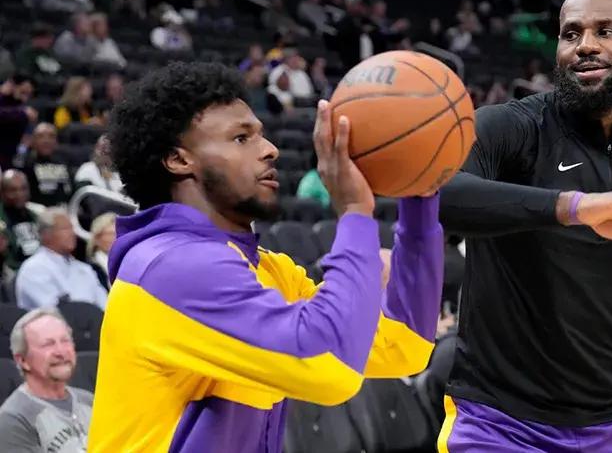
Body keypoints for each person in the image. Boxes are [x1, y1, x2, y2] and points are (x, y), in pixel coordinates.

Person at [87, 61, 448, 451]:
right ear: (178, 160)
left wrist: (419, 196)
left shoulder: (266, 269)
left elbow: (403, 346)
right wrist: (355, 212)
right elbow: (332, 366)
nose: (270, 149)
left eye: (261, 134)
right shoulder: (171, 268)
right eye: (242, 138)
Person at [437, 0, 612, 452]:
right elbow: (438, 195)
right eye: (571, 34)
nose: (585, 45)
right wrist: (574, 207)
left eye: (605, 32)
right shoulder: (509, 128)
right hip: (502, 422)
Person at [0, 308, 94, 453]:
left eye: (65, 341)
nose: (61, 352)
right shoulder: (13, 419)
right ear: (22, 360)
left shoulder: (89, 401)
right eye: (48, 344)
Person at [15, 207, 108, 310]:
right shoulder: (34, 269)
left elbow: (106, 307)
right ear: (46, 234)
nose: (72, 233)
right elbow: (54, 311)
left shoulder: (84, 269)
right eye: (65, 229)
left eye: (72, 228)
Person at [16, 123, 73, 207]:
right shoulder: (25, 165)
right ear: (33, 141)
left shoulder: (65, 162)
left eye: (51, 136)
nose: (46, 141)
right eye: (40, 136)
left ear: (56, 141)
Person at [1, 169, 41, 270]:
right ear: (2, 193)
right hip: (13, 272)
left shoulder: (37, 215)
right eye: (13, 190)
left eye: (23, 188)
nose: (19, 194)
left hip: (41, 269)